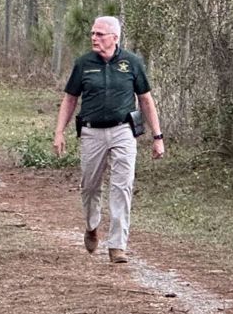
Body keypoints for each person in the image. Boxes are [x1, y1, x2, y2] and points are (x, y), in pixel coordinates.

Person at [52, 16, 165, 264]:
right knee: (90, 185)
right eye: (93, 33)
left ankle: (117, 245)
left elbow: (146, 99)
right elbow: (70, 99)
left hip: (123, 130)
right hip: (92, 132)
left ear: (115, 37)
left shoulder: (132, 63)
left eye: (100, 34)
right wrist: (59, 132)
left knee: (122, 186)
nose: (94, 37)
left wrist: (158, 136)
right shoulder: (83, 64)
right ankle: (92, 225)